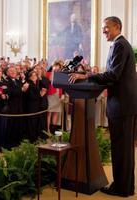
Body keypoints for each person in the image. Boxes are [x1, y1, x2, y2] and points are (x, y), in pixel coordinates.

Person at [69, 16, 137, 197]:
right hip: (124, 105)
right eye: (102, 28)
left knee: (121, 149)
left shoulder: (120, 45)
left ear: (117, 27)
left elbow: (113, 75)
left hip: (121, 106)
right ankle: (125, 187)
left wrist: (88, 76)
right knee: (125, 149)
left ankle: (121, 188)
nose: (103, 30)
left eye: (106, 27)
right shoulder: (121, 44)